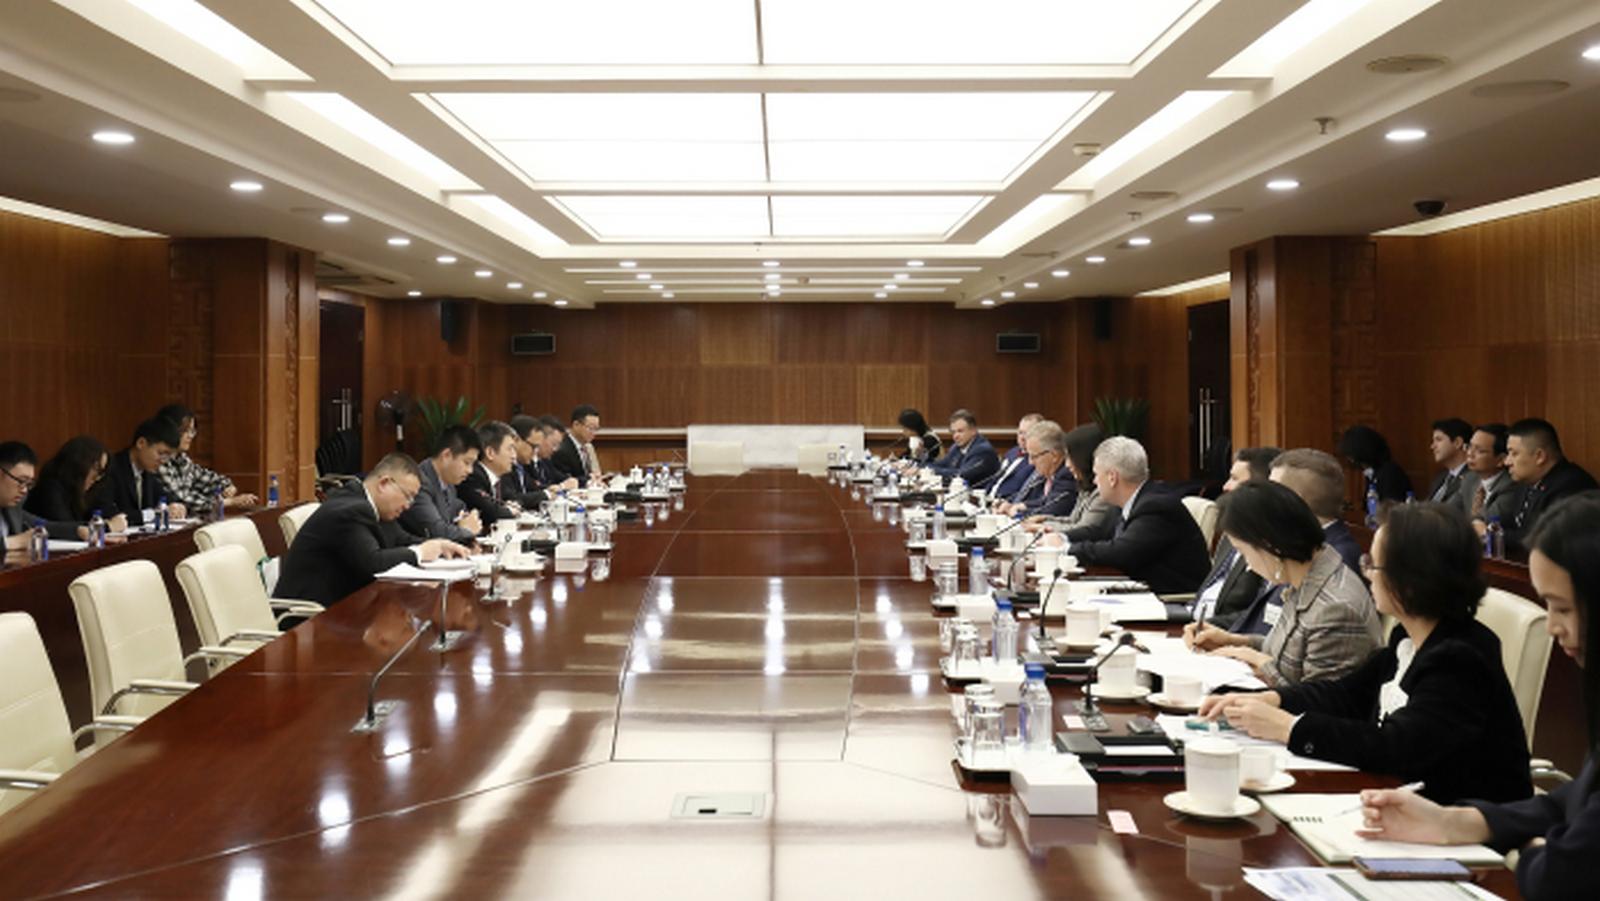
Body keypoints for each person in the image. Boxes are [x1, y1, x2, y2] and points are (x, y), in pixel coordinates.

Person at [1200, 502, 1530, 804]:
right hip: (1397, 803)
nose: (1367, 573)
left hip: (1457, 823)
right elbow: (1345, 695)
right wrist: (1270, 700)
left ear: (1412, 578)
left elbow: (1397, 747)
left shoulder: (1461, 658)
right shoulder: (1407, 637)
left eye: (1374, 565)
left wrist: (1289, 728)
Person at [1359, 492, 1600, 899]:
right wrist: (1453, 823)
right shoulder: (1405, 638)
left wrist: (1533, 850)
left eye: (1562, 608)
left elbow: (1557, 878)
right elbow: (1571, 802)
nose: (1552, 627)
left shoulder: (1461, 653)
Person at [1185, 480, 1382, 687]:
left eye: (1244, 552)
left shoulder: (1335, 609)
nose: (1248, 565)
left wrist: (1260, 662)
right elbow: (1288, 651)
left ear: (1270, 546)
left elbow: (1316, 699)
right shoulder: (1307, 576)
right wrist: (1234, 641)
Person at [273, 453, 470, 605]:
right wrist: (420, 552)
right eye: (407, 496)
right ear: (384, 483)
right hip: (309, 620)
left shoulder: (372, 505)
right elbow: (373, 563)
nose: (408, 505)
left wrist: (441, 546)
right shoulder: (351, 510)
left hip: (344, 607)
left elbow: (401, 539)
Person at [1056, 436, 1211, 594]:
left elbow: (1121, 553)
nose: (1095, 481)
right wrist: (1061, 538)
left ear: (1112, 478)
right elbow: (1099, 532)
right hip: (1142, 591)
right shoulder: (1127, 502)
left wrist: (1067, 549)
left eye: (1096, 474)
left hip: (1171, 600)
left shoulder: (1156, 507)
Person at [1190, 446, 1280, 629]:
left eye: (1234, 478)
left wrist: (1205, 626)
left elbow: (1260, 615)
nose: (1226, 486)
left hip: (1225, 632)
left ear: (1258, 487)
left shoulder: (1272, 541)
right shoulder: (1230, 533)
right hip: (1192, 622)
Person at [1505, 418, 1598, 555]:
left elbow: (1545, 538)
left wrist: (1492, 535)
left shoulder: (1572, 485)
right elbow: (1511, 522)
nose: (1507, 462)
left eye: (1514, 453)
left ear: (1540, 456)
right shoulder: (1525, 482)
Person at [153, 403, 258, 512]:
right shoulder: (158, 461)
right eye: (185, 431)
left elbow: (208, 479)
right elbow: (184, 499)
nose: (190, 436)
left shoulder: (183, 459)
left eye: (192, 431)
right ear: (169, 430)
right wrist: (229, 502)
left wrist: (227, 487)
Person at [1031, 423, 1120, 542]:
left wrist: (1042, 527)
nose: (1067, 465)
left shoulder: (1103, 493)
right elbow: (1073, 520)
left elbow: (1083, 530)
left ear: (1083, 457)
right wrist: (1043, 520)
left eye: (1070, 458)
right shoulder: (1085, 486)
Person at [23, 436, 128, 536]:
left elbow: (105, 511)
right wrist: (107, 527)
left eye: (102, 472)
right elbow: (66, 527)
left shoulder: (84, 491)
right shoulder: (50, 488)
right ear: (78, 464)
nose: (97, 478)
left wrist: (116, 518)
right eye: (96, 469)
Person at [91, 417, 187, 526]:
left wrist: (177, 506)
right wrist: (152, 514)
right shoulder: (112, 468)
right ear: (141, 443)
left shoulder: (148, 472)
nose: (163, 461)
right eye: (161, 453)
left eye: (168, 456)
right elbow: (105, 512)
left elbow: (166, 497)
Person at [399, 424, 482, 543]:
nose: (470, 470)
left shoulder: (448, 483)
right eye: (467, 462)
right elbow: (436, 532)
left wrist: (470, 517)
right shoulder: (419, 483)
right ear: (446, 455)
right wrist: (466, 530)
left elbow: (459, 509)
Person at [0, 442, 82, 550]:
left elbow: (45, 526)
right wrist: (14, 542)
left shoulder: (12, 508)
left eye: (29, 484)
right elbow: (18, 541)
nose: (24, 490)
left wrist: (79, 530)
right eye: (21, 481)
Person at [996, 420, 1076, 518]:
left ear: (1054, 456)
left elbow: (1051, 511)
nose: (1031, 462)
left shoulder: (1067, 475)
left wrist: (1018, 513)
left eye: (1034, 456)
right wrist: (1021, 506)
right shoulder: (1048, 473)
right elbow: (1044, 501)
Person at [458, 420, 519, 527]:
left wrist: (510, 506)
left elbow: (513, 499)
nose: (514, 456)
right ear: (490, 453)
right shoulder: (473, 476)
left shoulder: (500, 476)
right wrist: (508, 510)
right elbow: (490, 512)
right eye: (510, 449)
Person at [1462, 422, 1519, 536]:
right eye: (1469, 446)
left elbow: (1486, 522)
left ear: (1501, 460)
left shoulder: (1511, 485)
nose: (1470, 454)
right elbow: (1449, 511)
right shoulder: (1469, 479)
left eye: (1480, 451)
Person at [925, 409, 1000, 487]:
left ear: (973, 431)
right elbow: (942, 464)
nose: (955, 436)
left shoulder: (982, 450)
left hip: (981, 492)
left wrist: (930, 470)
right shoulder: (956, 447)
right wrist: (924, 467)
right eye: (953, 432)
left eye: (960, 431)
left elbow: (962, 474)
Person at [1338, 424, 1413, 503]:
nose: (1350, 460)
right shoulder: (1373, 474)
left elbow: (1390, 506)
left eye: (1351, 455)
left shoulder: (1389, 473)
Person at [984, 414, 1041, 504]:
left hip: (1006, 504)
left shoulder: (1036, 460)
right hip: (988, 500)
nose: (1022, 438)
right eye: (1020, 432)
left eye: (1028, 434)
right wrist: (984, 495)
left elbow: (1024, 493)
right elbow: (997, 478)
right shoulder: (1012, 452)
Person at [1425, 417, 1474, 506]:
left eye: (1438, 440)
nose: (1432, 446)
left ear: (1457, 442)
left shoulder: (1473, 477)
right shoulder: (1440, 478)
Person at [550, 404, 601, 487]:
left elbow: (596, 475)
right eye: (591, 428)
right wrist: (589, 479)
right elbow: (566, 480)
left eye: (596, 429)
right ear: (576, 425)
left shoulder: (589, 447)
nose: (594, 433)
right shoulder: (562, 449)